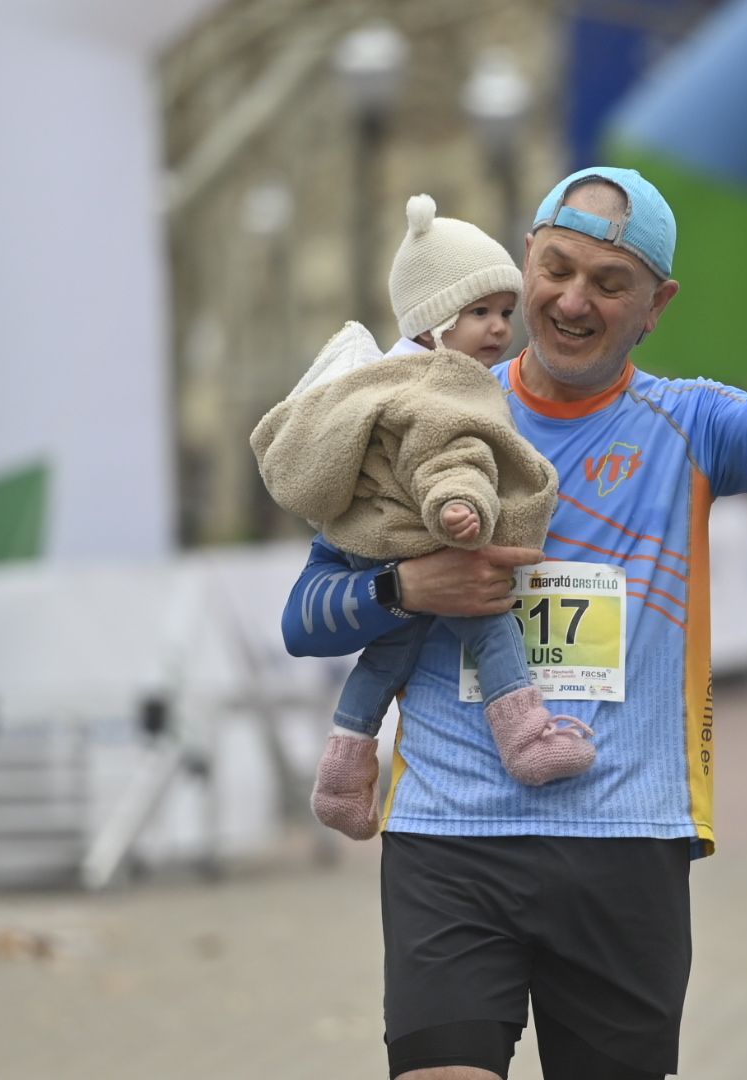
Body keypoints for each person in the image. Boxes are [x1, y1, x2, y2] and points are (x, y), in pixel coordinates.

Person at [278, 165, 747, 1080]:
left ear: (656, 303)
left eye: (610, 283)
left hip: (626, 838)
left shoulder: (688, 424)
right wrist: (406, 591)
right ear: (523, 264)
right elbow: (303, 617)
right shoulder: (420, 410)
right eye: (556, 270)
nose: (573, 301)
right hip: (450, 833)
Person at [253, 195, 597, 841]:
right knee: (484, 627)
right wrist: (409, 584)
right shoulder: (438, 396)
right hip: (439, 819)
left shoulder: (410, 392)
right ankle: (526, 736)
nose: (499, 329)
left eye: (504, 312)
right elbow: (303, 624)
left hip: (604, 814)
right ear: (434, 322)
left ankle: (342, 770)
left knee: (386, 659)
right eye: (480, 313)